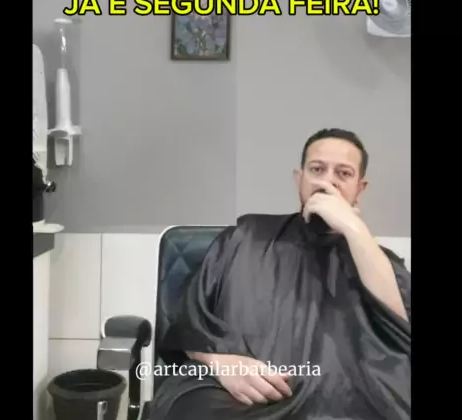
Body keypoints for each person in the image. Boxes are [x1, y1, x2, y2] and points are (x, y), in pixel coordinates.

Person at [149, 128, 411, 420]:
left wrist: (353, 228)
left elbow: (402, 329)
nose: (328, 182)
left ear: (360, 188)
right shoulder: (244, 238)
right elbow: (188, 327)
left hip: (345, 400)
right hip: (236, 397)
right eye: (317, 169)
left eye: (344, 173)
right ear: (299, 179)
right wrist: (221, 363)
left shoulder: (377, 263)